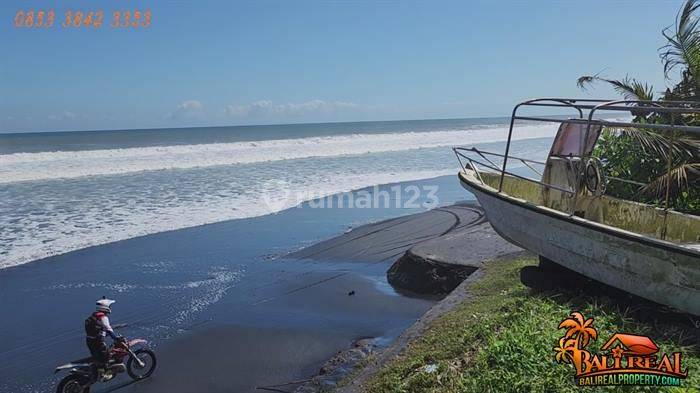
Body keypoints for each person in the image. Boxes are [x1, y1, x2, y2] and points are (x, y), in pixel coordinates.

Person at [85, 297, 124, 371]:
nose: (110, 307)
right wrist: (115, 338)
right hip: (97, 342)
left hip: (89, 340)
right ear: (105, 307)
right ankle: (104, 373)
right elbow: (108, 328)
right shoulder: (103, 317)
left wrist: (106, 334)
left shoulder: (94, 315)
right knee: (106, 357)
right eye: (109, 306)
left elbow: (98, 328)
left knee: (98, 357)